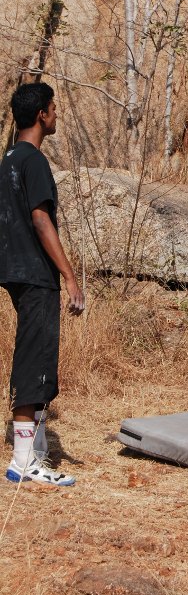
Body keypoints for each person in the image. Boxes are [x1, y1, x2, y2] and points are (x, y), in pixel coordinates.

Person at [0, 82, 84, 487]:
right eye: (53, 108)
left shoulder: (9, 158)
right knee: (35, 363)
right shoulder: (33, 161)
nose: (56, 114)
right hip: (36, 274)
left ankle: (35, 453)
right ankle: (24, 463)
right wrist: (69, 276)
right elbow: (39, 219)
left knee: (37, 360)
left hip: (15, 271)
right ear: (40, 116)